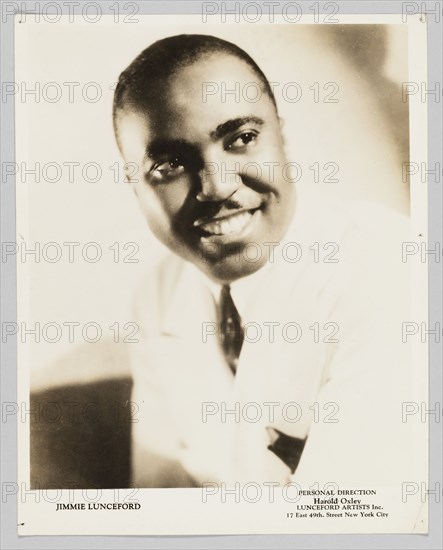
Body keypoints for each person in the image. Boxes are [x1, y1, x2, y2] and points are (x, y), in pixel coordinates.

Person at [112, 34, 417, 491]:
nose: (217, 186)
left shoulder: (387, 265)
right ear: (134, 186)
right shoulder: (158, 294)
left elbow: (355, 524)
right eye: (170, 165)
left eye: (242, 139)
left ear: (281, 137)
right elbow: (157, 496)